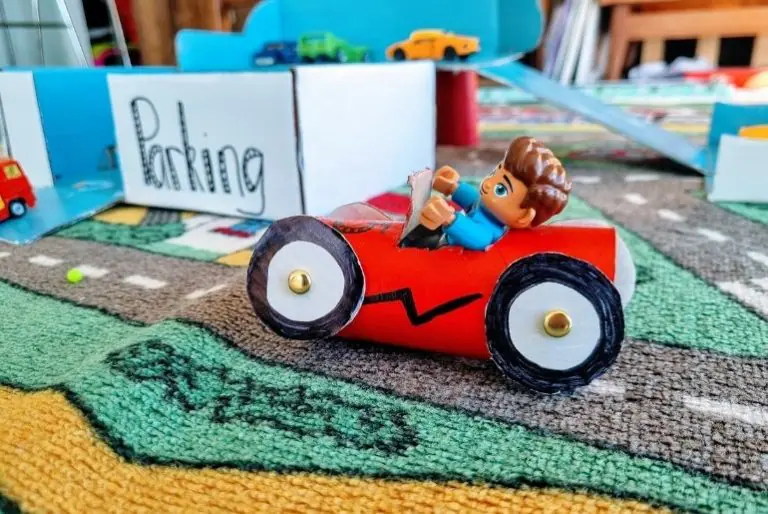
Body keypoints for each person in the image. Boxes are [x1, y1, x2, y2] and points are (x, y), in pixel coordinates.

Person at [419, 137, 572, 250]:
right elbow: (474, 200)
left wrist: (449, 218)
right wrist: (453, 187)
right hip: (442, 239)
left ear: (523, 216)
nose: (488, 183)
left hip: (448, 252)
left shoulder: (489, 233)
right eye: (494, 173)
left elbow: (477, 237)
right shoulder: (488, 207)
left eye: (500, 189)